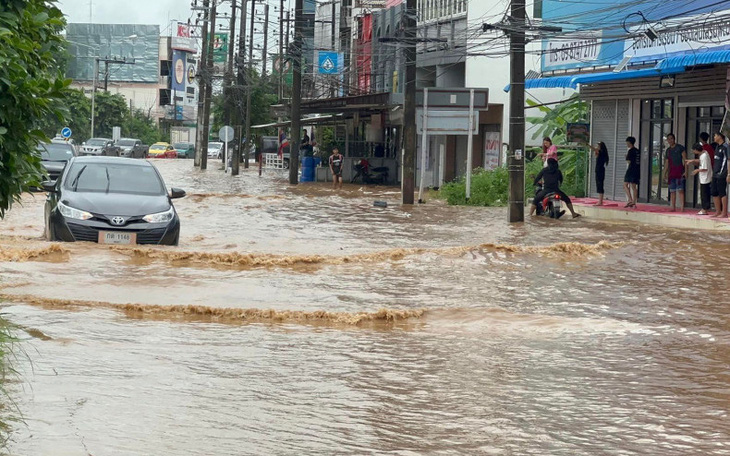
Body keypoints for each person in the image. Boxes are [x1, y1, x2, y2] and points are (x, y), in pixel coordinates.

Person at [664, 133, 687, 212]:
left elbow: (685, 160)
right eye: (668, 139)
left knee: (680, 190)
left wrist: (686, 171)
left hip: (680, 172)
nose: (670, 140)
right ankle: (673, 207)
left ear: (674, 139)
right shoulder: (668, 150)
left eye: (671, 139)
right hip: (671, 173)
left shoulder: (680, 148)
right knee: (672, 191)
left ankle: (682, 207)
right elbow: (666, 163)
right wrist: (664, 173)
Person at [688, 143, 712, 215]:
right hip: (705, 177)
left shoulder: (704, 156)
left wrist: (696, 170)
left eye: (693, 150)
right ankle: (705, 208)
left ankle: (704, 209)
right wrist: (693, 161)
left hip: (705, 178)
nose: (693, 152)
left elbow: (704, 168)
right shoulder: (704, 153)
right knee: (705, 193)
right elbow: (700, 161)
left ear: (696, 150)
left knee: (704, 194)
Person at [713, 132, 730, 218]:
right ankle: (717, 211)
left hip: (722, 173)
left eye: (715, 135)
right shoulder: (717, 147)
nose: (714, 137)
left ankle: (724, 212)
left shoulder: (726, 147)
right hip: (715, 173)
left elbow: (728, 160)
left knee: (722, 192)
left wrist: (728, 174)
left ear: (720, 136)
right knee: (714, 192)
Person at [623, 136, 640, 208]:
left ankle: (630, 199)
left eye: (627, 142)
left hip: (631, 170)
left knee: (625, 184)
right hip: (637, 169)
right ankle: (634, 202)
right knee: (634, 186)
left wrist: (626, 157)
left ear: (629, 143)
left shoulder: (630, 151)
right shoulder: (637, 151)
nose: (626, 144)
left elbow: (628, 161)